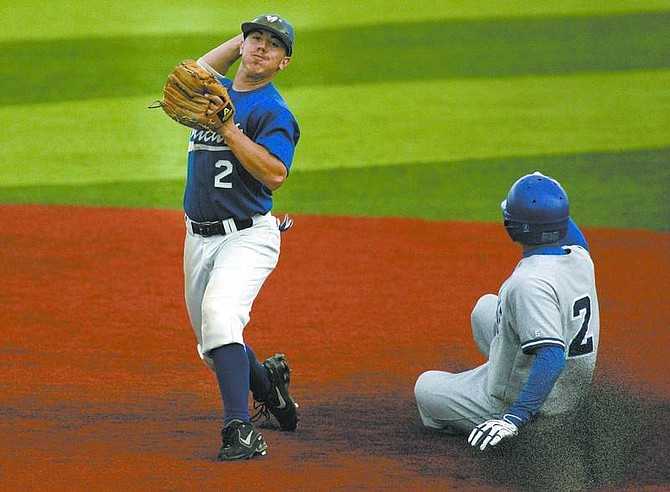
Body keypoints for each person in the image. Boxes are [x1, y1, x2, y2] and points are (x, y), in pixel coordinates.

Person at [179, 14, 300, 461]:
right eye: (255, 39)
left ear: (284, 62)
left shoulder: (273, 111)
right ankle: (272, 389)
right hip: (198, 237)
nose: (261, 48)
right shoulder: (216, 90)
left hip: (247, 236)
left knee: (220, 313)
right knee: (214, 344)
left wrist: (229, 130)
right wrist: (243, 40)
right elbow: (193, 74)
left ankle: (240, 430)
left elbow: (275, 174)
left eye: (274, 45)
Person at [414, 171, 600, 451]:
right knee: (485, 308)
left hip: (544, 405)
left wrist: (513, 418)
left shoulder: (528, 283)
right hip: (573, 384)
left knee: (426, 387)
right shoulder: (580, 256)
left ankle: (509, 411)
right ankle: (506, 375)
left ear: (513, 228)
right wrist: (550, 196)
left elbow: (551, 357)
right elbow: (562, 227)